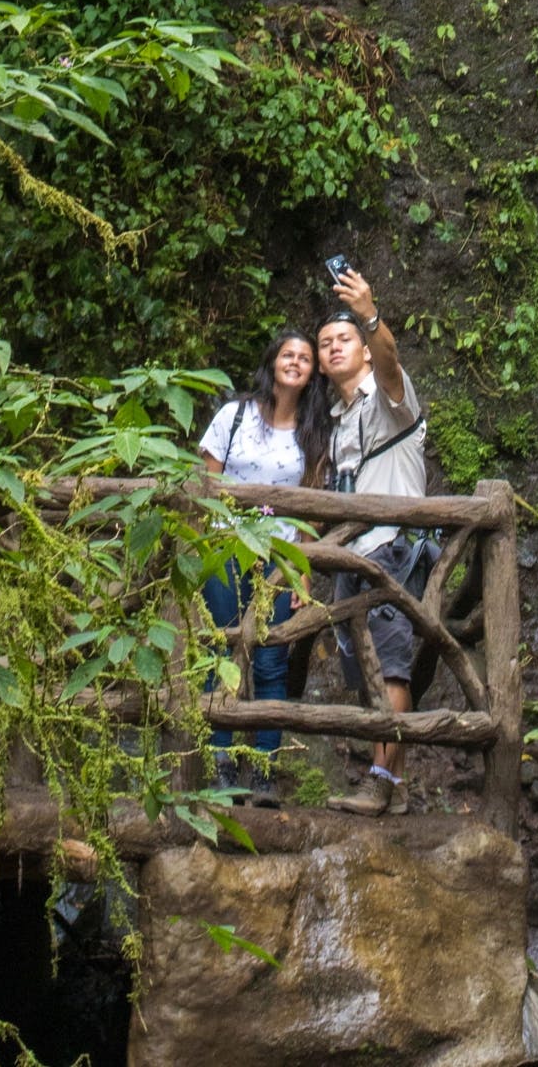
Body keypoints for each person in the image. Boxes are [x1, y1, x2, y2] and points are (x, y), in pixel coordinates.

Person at [197, 328, 330, 795]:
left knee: (271, 661)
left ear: (313, 373)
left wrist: (303, 573)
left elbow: (309, 509)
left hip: (278, 556)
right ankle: (221, 767)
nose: (295, 362)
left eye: (305, 358)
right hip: (223, 549)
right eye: (288, 354)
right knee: (219, 655)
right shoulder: (233, 416)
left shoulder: (314, 433)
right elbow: (205, 487)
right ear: (273, 361)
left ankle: (265, 771)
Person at [314, 266, 426, 816]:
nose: (334, 349)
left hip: (389, 546)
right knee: (366, 670)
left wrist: (369, 314)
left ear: (362, 351)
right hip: (350, 555)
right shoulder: (337, 421)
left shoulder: (388, 399)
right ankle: (393, 786)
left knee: (390, 664)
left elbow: (389, 361)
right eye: (324, 344)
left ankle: (382, 780)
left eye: (343, 340)